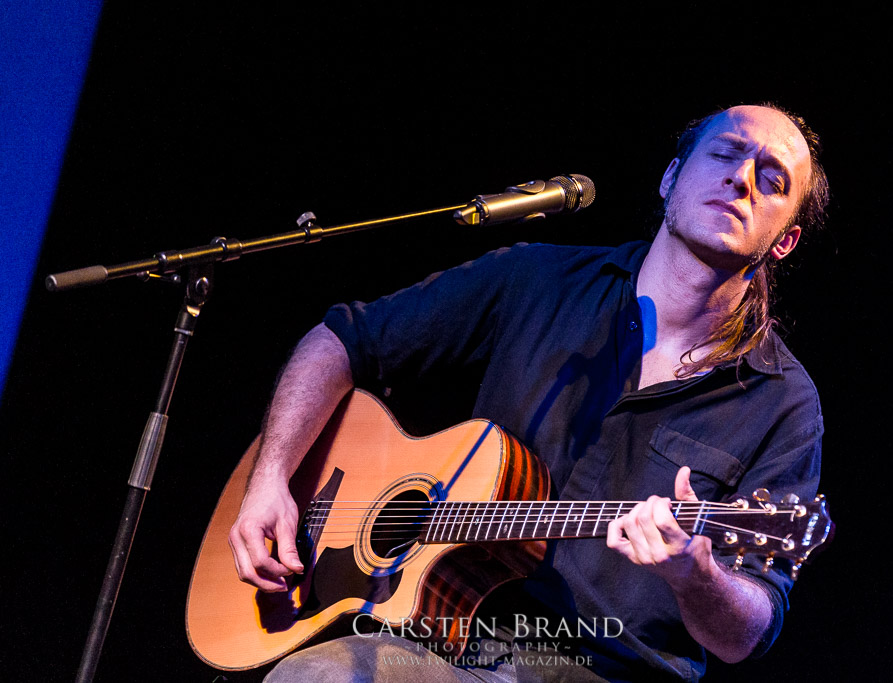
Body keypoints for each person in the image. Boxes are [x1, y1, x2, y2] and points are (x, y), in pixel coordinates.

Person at [228, 103, 830, 681]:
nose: (741, 178)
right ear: (670, 178)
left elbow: (747, 630)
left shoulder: (782, 402)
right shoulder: (538, 280)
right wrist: (271, 478)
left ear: (785, 241)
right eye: (725, 152)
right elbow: (342, 340)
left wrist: (695, 573)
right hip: (432, 637)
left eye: (772, 179)